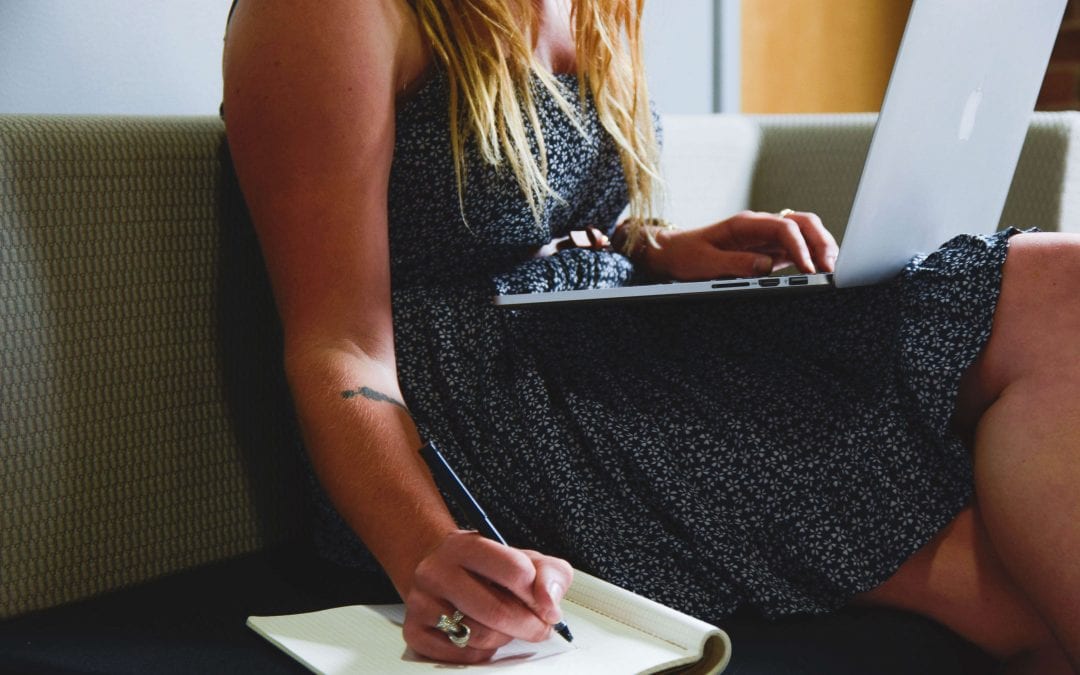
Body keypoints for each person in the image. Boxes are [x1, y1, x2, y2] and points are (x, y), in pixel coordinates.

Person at [221, 1, 1080, 671]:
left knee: (1060, 283)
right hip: (484, 416)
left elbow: (537, 214)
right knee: (1015, 596)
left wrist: (659, 251)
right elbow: (338, 345)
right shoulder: (322, 13)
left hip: (603, 344)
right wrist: (425, 550)